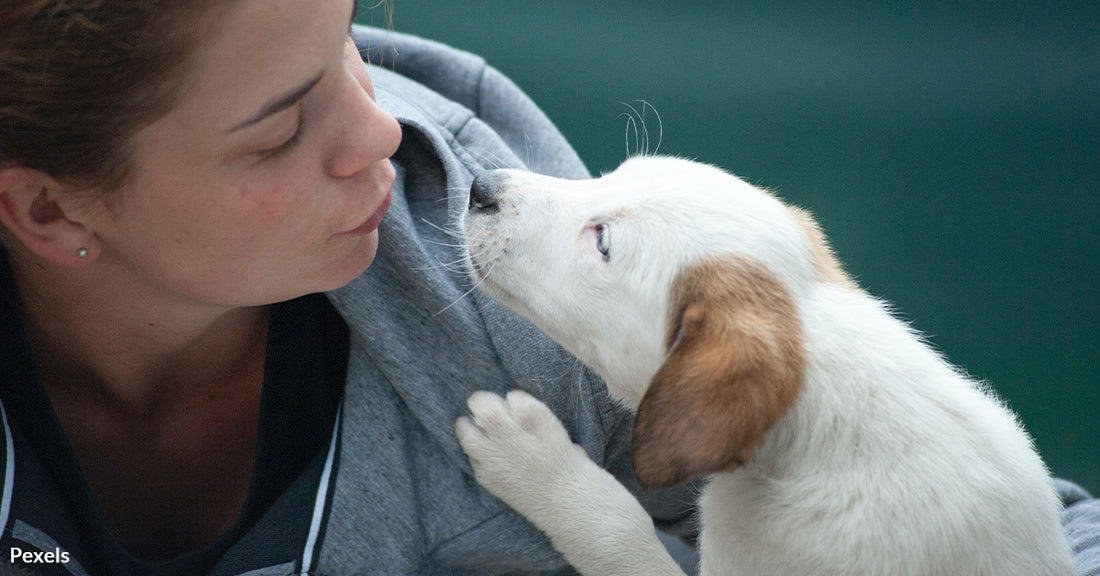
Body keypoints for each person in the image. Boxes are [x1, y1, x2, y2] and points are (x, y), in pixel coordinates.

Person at [0, 1, 1094, 575]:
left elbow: (1019, 537)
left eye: (345, 44)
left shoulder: (513, 322)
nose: (381, 125)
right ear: (47, 209)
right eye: (282, 127)